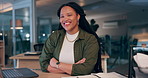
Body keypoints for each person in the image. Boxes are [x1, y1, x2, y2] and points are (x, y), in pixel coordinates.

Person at [39, 2, 102, 76]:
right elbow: (43, 63)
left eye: (69, 15)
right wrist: (72, 68)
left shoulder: (90, 39)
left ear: (78, 16)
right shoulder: (55, 36)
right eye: (62, 16)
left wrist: (57, 64)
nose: (65, 19)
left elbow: (86, 69)